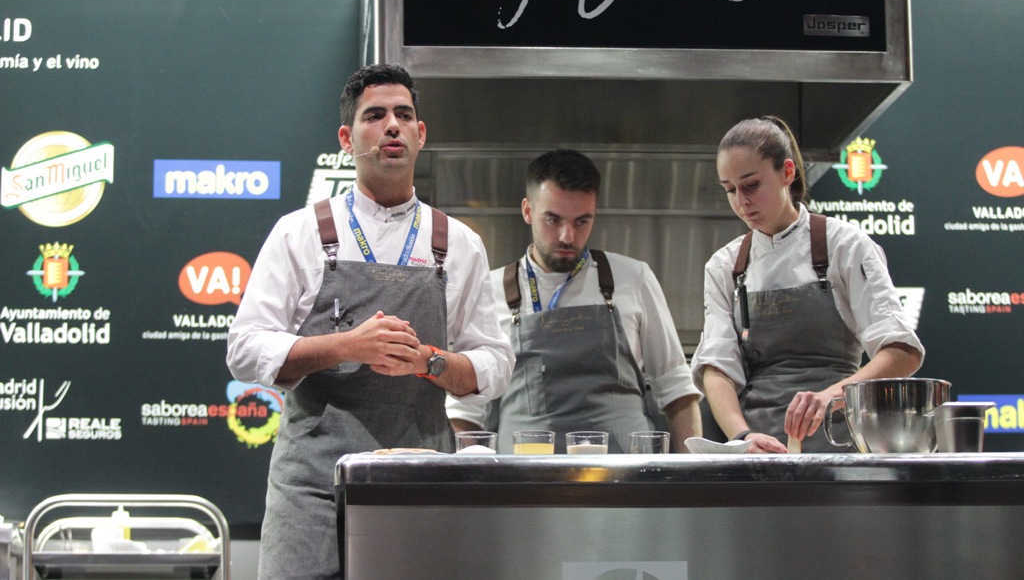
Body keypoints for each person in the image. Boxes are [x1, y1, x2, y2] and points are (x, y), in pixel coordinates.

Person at [226, 63, 514, 580]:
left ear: (421, 134)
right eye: (374, 115)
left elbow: (495, 365)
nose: (392, 126)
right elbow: (245, 348)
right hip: (312, 489)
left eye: (404, 115)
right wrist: (347, 346)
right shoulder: (301, 233)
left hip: (420, 485)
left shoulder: (458, 244)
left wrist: (428, 360)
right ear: (346, 137)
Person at [690, 115, 924, 454]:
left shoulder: (844, 246)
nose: (741, 201)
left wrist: (830, 396)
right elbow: (716, 369)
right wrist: (742, 438)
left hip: (839, 445)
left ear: (787, 172)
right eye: (729, 190)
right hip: (760, 454)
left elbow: (902, 352)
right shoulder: (724, 266)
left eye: (751, 185)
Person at [448, 149, 702, 454]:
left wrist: (691, 473)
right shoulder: (490, 290)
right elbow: (466, 412)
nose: (567, 236)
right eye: (553, 220)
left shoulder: (633, 278)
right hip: (523, 486)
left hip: (628, 484)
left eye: (582, 222)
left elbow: (676, 390)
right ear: (528, 211)